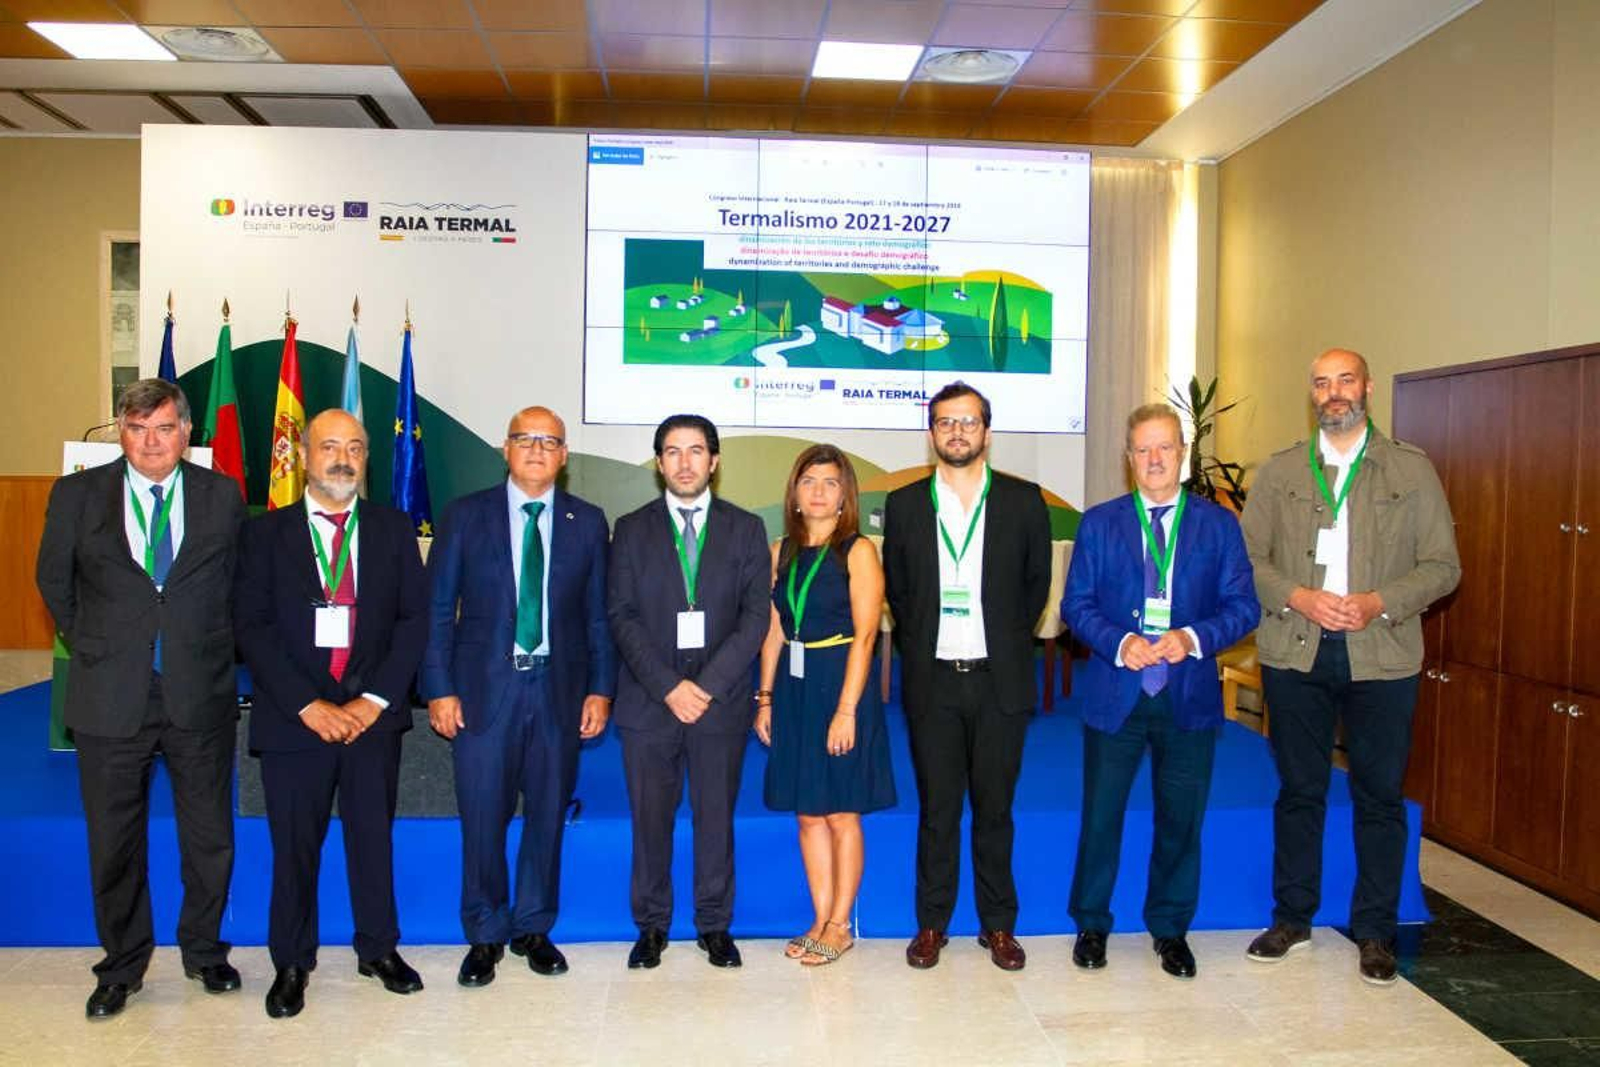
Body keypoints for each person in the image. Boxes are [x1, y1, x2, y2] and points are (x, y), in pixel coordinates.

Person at [1240, 348, 1460, 984]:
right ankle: (1293, 918)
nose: (1333, 392)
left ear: (1365, 387)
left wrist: (1377, 603)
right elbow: (1246, 560)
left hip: (1382, 655)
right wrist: (1299, 596)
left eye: (1344, 380)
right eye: (1321, 383)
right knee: (1300, 790)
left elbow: (1444, 567)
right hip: (1295, 648)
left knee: (1379, 796)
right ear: (1311, 394)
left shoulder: (1410, 471)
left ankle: (1375, 931)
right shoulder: (1281, 470)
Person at [35, 378, 247, 1019]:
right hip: (109, 694)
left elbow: (237, 585)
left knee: (209, 836)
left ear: (187, 433)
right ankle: (121, 966)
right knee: (115, 839)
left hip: (198, 691)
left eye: (163, 428)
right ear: (120, 433)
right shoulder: (76, 495)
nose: (150, 442)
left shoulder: (223, 495)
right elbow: (54, 581)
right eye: (136, 428)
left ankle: (205, 950)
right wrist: (101, 642)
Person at [233, 409, 430, 1018]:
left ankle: (378, 949)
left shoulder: (395, 530)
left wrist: (372, 702)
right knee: (295, 845)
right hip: (296, 720)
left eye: (354, 448)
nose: (342, 458)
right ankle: (292, 961)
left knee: (373, 839)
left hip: (372, 719)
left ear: (367, 459)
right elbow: (252, 626)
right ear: (305, 455)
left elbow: (413, 621)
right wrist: (309, 704)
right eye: (329, 447)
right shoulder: (264, 534)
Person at [1060, 403, 1260, 979]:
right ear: (1128, 459)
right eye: (1143, 449)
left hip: (1188, 695)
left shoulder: (1218, 525)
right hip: (1116, 691)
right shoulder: (1099, 523)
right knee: (1101, 818)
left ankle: (1170, 929)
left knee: (1181, 820)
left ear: (1182, 454)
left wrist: (1192, 637)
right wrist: (1122, 643)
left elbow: (1243, 606)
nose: (1153, 458)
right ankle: (1091, 924)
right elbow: (1078, 605)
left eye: (1165, 447)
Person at [421, 406, 616, 987]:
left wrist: (601, 690)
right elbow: (437, 611)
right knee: (482, 814)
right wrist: (439, 688)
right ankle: (484, 932)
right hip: (483, 690)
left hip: (558, 688)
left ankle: (534, 925)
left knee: (548, 814)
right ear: (505, 450)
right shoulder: (464, 516)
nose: (536, 449)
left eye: (549, 441)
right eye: (525, 439)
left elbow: (598, 617)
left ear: (564, 457)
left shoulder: (588, 521)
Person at [882, 381, 1052, 971]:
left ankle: (998, 926)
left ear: (986, 431)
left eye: (969, 421)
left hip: (999, 679)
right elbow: (899, 593)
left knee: (996, 808)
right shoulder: (905, 506)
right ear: (932, 434)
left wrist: (1001, 642)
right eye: (946, 422)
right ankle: (932, 924)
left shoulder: (1023, 501)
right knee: (937, 810)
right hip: (933, 682)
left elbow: (1035, 588)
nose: (958, 431)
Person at [607, 414, 770, 970]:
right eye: (672, 452)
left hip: (719, 703)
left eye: (695, 451)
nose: (684, 462)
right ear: (659, 463)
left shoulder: (746, 529)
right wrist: (669, 687)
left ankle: (714, 924)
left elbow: (754, 619)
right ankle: (651, 925)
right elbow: (621, 616)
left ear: (714, 461)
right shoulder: (629, 529)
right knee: (650, 818)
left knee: (715, 816)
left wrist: (703, 686)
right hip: (649, 704)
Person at [754, 445, 897, 966]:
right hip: (792, 688)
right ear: (794, 491)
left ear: (845, 495)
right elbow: (772, 630)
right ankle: (818, 918)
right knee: (808, 813)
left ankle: (840, 924)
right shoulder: (780, 551)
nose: (817, 490)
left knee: (841, 811)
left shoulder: (857, 551)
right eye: (808, 480)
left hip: (841, 682)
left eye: (829, 482)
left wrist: (846, 710)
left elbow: (865, 637)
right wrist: (765, 697)